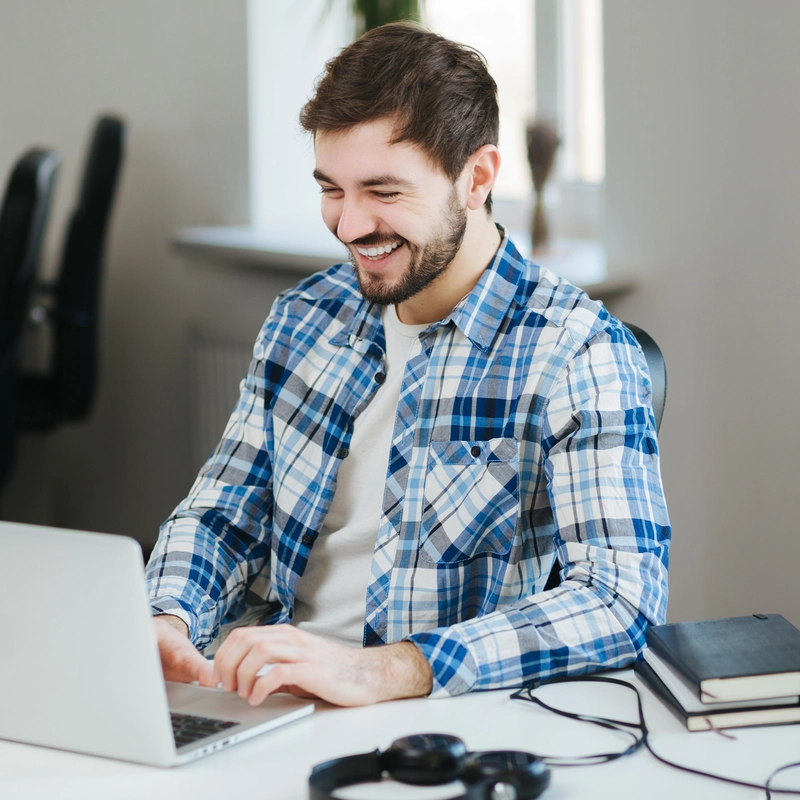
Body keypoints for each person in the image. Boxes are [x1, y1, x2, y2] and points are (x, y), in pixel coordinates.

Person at [146, 22, 670, 708]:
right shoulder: (304, 317)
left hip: (435, 722)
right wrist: (168, 614)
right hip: (262, 700)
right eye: (332, 188)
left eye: (384, 192)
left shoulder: (578, 351)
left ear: (476, 177)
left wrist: (382, 669)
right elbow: (223, 514)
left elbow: (620, 601)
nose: (349, 225)